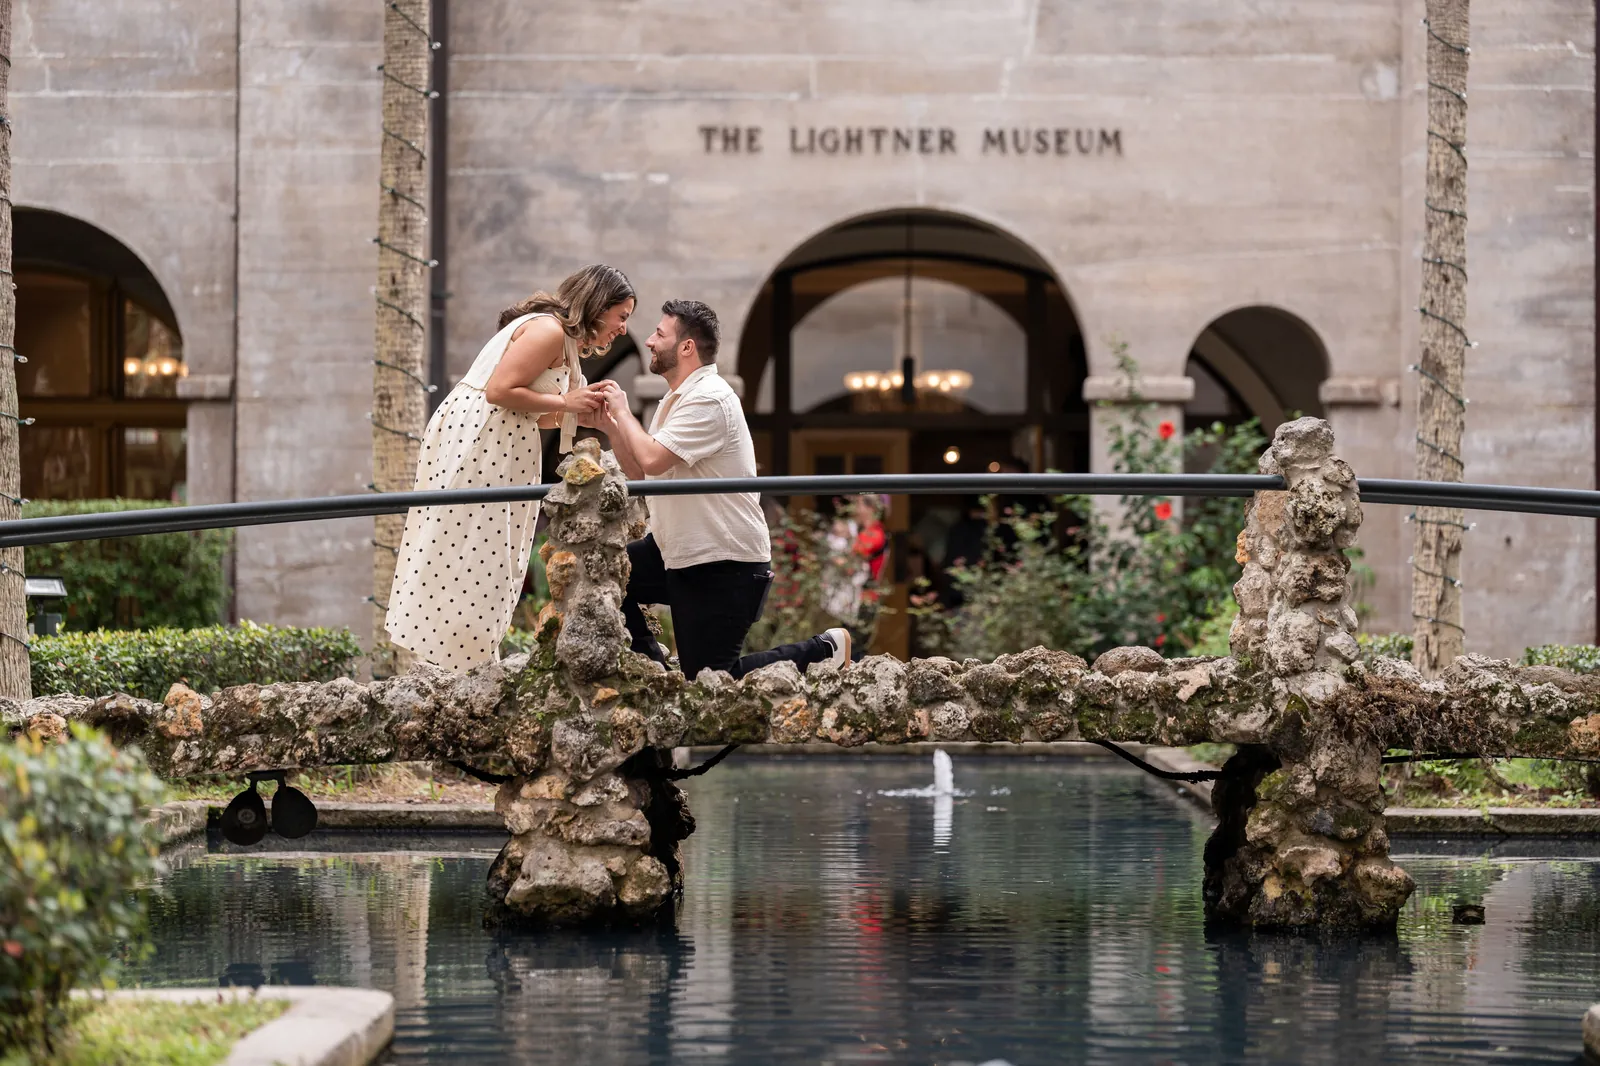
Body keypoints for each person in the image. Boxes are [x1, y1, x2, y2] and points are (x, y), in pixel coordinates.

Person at [386, 264, 634, 671]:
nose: (623, 329)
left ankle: (469, 660)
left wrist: (579, 415)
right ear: (599, 305)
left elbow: (527, 411)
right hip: (484, 443)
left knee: (491, 558)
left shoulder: (563, 339)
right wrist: (566, 404)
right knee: (475, 555)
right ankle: (462, 664)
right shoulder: (549, 330)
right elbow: (500, 391)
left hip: (502, 442)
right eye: (621, 317)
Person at [596, 299, 850, 680]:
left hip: (723, 564)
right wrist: (610, 425)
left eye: (659, 333)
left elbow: (650, 459)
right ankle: (654, 676)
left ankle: (824, 649)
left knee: (712, 682)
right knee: (607, 572)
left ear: (686, 347)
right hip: (676, 553)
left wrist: (623, 409)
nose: (648, 341)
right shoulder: (679, 398)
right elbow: (641, 473)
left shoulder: (709, 399)